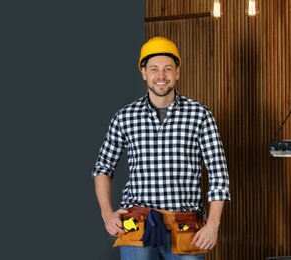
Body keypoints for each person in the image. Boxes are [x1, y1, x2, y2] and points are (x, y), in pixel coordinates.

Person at [92, 36, 231, 260]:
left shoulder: (200, 115)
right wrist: (107, 214)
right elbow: (102, 168)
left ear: (177, 73)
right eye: (154, 69)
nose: (161, 76)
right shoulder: (125, 117)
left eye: (168, 68)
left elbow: (219, 175)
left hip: (187, 229)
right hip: (136, 226)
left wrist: (213, 225)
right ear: (144, 73)